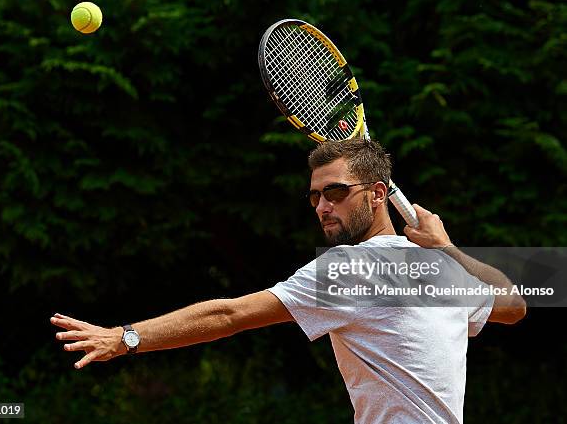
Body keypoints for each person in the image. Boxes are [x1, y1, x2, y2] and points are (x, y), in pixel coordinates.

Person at [51, 139, 526, 424]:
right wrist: (446, 247)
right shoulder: (436, 267)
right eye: (316, 195)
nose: (323, 206)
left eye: (337, 193)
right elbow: (514, 303)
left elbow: (230, 314)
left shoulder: (352, 268)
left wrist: (126, 337)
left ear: (379, 194)